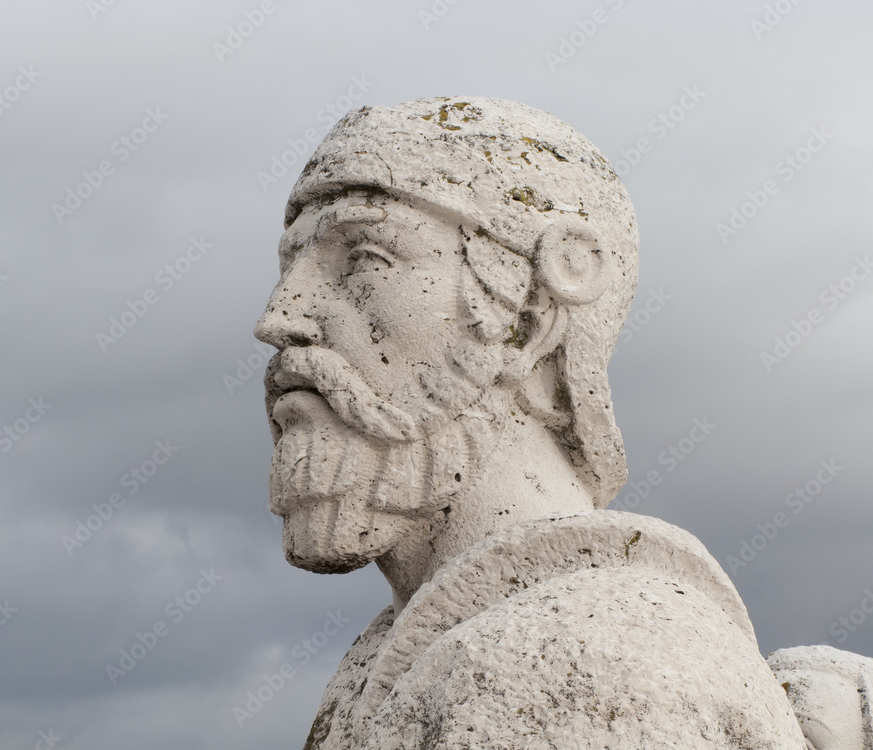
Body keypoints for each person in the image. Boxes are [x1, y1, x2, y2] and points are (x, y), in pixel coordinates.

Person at [253, 97, 851, 748]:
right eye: (291, 268)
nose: (280, 316)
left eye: (365, 258)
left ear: (533, 311)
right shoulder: (404, 658)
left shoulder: (593, 658)